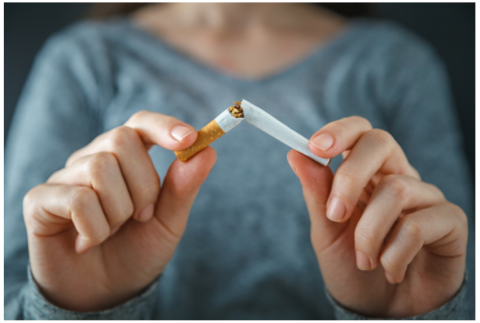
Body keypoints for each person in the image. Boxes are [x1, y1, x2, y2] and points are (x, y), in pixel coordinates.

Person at [4, 3, 473, 319]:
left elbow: (457, 271)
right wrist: (75, 306)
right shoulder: (87, 58)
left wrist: (417, 314)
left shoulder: (393, 62)